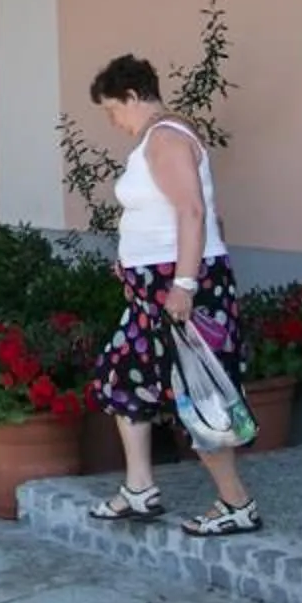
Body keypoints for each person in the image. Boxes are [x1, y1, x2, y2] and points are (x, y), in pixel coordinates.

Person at [82, 54, 260, 536]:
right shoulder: (153, 141)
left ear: (133, 96)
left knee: (200, 391)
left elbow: (194, 213)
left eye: (112, 109)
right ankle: (140, 488)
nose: (112, 121)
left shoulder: (166, 138)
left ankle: (236, 504)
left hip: (179, 286)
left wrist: (183, 284)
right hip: (150, 288)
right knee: (123, 377)